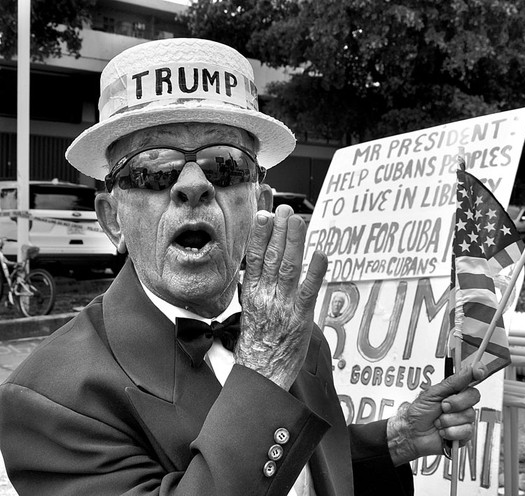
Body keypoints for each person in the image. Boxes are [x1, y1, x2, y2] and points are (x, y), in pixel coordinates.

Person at [0, 38, 484, 495]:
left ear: (261, 205)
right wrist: (266, 367)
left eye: (225, 165)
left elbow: (299, 466)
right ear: (113, 220)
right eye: (153, 169)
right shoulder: (48, 398)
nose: (193, 185)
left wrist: (393, 440)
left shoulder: (298, 336)